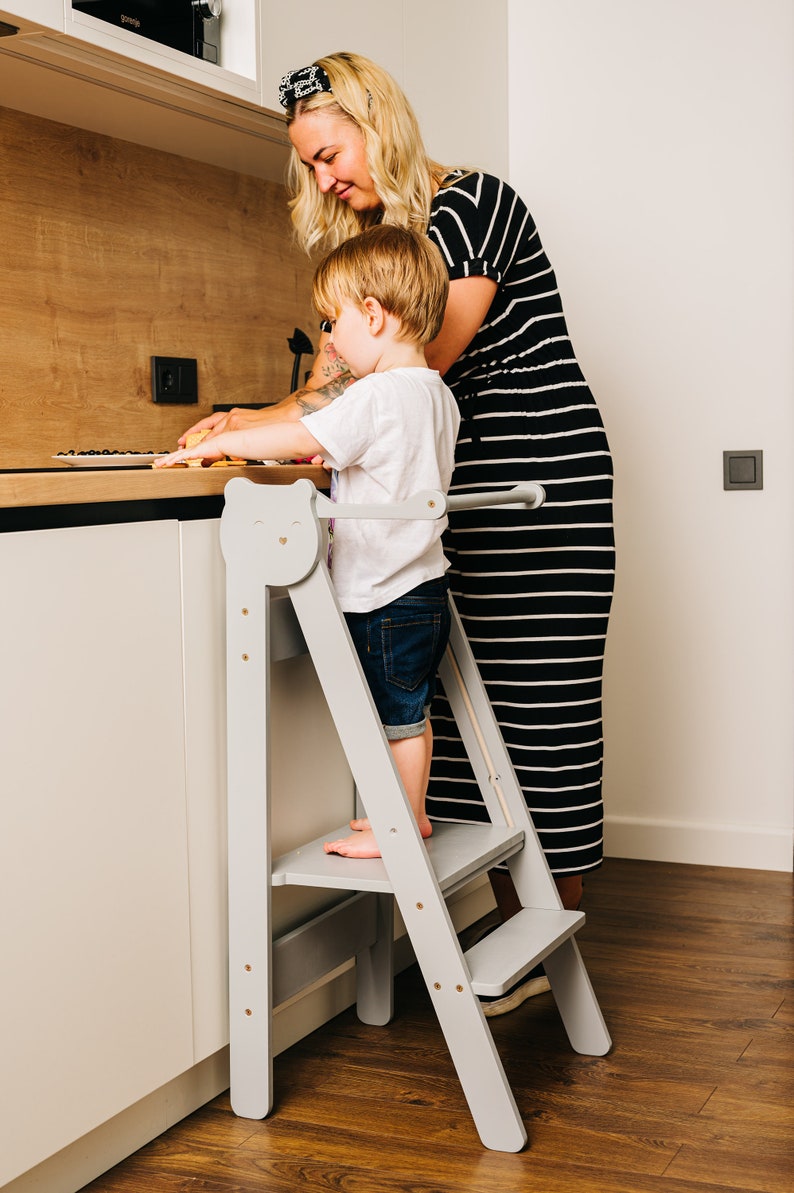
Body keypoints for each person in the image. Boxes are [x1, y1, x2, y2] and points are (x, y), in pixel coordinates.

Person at [178, 52, 615, 1010]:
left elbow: (403, 367)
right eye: (310, 168)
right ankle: (487, 927)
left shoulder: (469, 210)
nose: (325, 179)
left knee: (540, 709)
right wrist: (258, 418)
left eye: (330, 153)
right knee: (444, 712)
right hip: (443, 499)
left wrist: (261, 425)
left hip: (537, 490)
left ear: (376, 122)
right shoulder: (389, 246)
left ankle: (545, 931)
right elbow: (351, 388)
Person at [158, 224, 460, 860]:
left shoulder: (376, 395)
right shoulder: (437, 392)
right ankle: (414, 814)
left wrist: (221, 444)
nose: (328, 339)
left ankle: (399, 824)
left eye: (332, 321)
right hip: (425, 581)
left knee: (395, 717)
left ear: (374, 316)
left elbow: (301, 438)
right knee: (411, 709)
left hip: (383, 591)